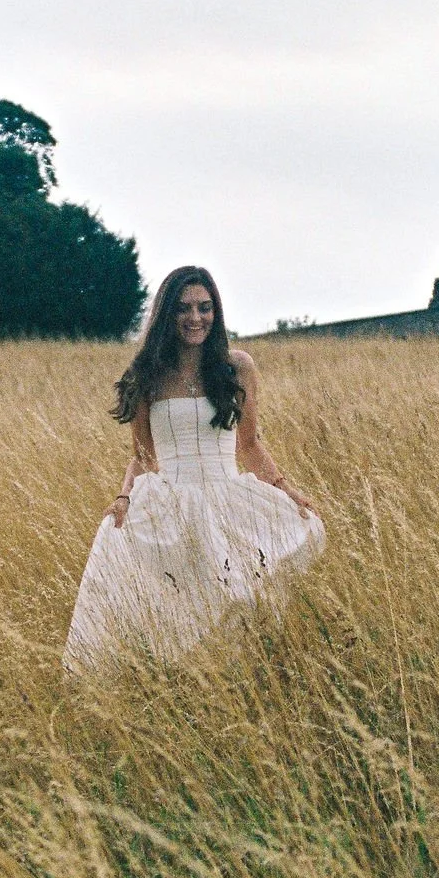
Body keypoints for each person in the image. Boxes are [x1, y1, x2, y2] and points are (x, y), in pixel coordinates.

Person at [63, 266, 325, 673]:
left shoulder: (237, 367)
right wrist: (122, 497)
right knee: (181, 605)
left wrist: (285, 488)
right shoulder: (146, 373)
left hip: (227, 498)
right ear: (166, 314)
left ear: (216, 313)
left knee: (235, 598)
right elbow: (144, 456)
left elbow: (250, 444)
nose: (195, 318)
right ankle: (182, 685)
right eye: (184, 308)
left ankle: (235, 684)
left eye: (205, 308)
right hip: (170, 503)